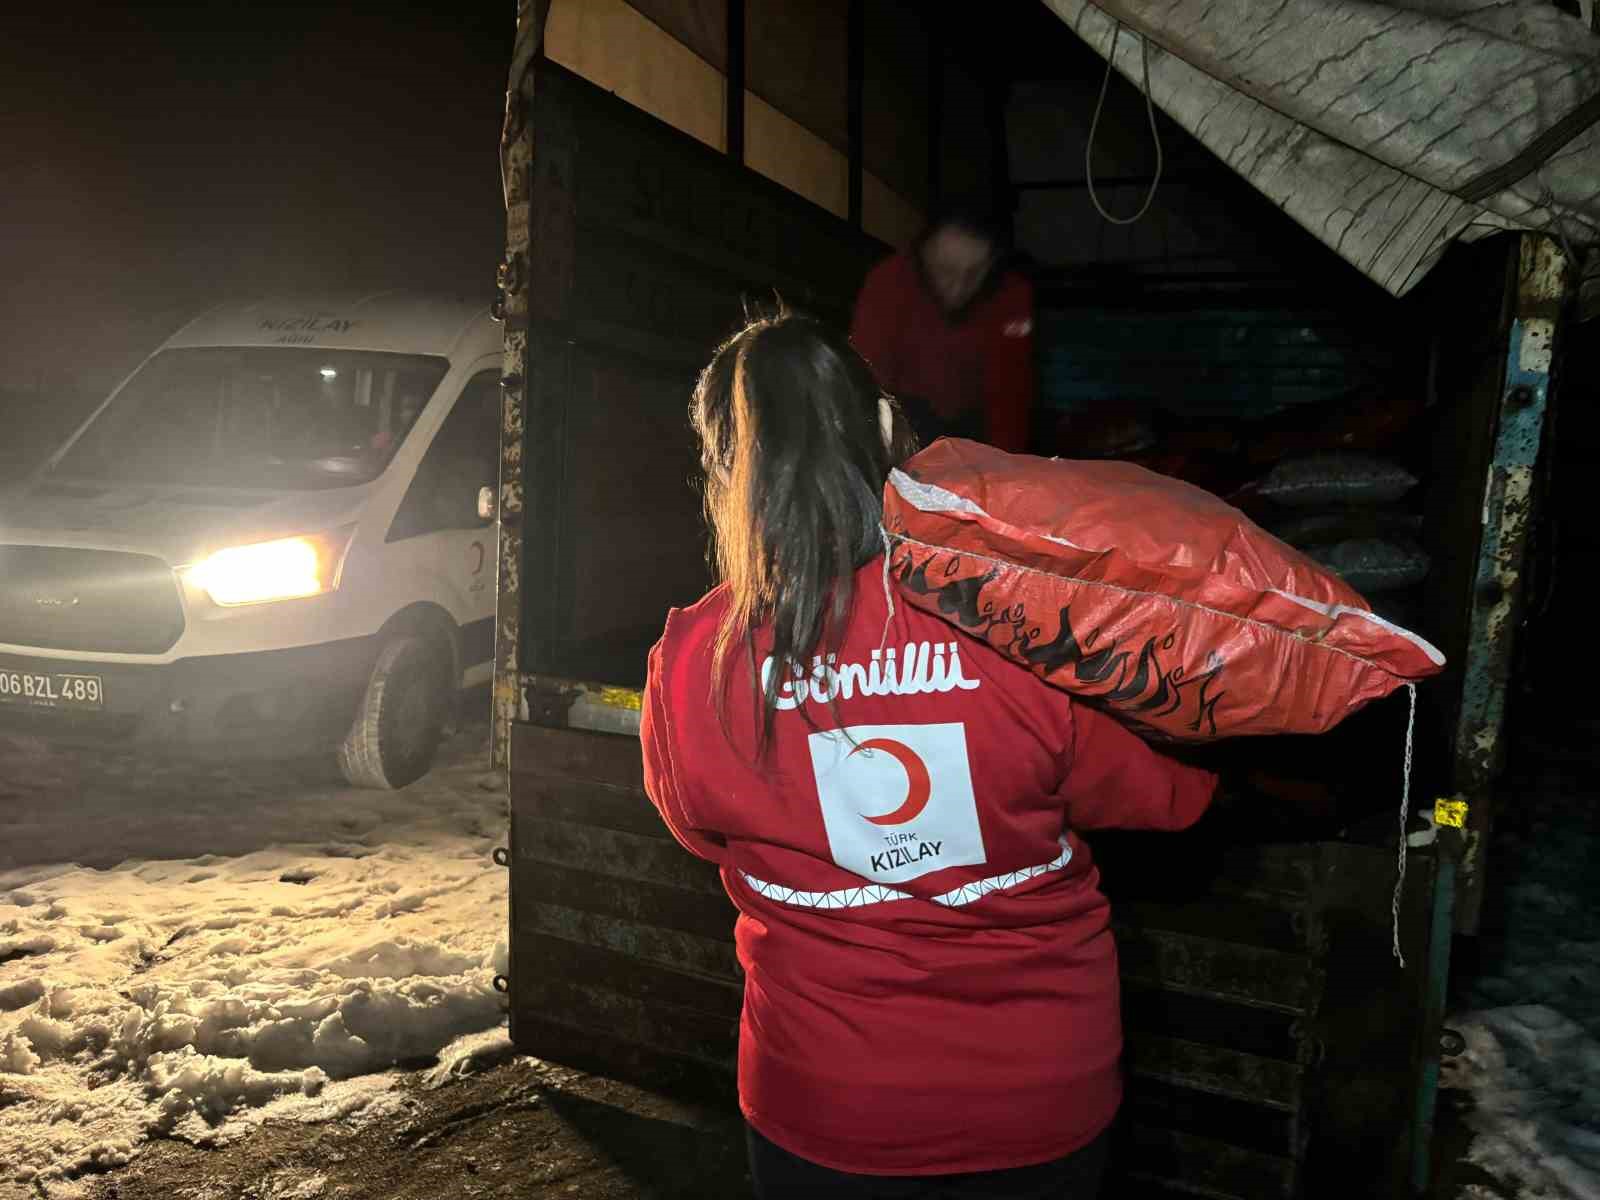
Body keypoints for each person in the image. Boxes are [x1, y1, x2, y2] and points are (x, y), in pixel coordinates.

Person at [640, 311, 1218, 1198]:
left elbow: (699, 830)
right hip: (1038, 1101)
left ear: (724, 468)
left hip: (822, 1104)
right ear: (883, 428)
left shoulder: (693, 660)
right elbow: (1170, 797)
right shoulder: (1016, 624)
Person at [850, 207, 1036, 454]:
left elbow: (1009, 400)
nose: (957, 289)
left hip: (976, 434)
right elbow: (867, 385)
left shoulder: (1011, 295)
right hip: (904, 424)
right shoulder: (888, 282)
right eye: (946, 270)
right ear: (925, 252)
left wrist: (1003, 467)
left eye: (973, 274)